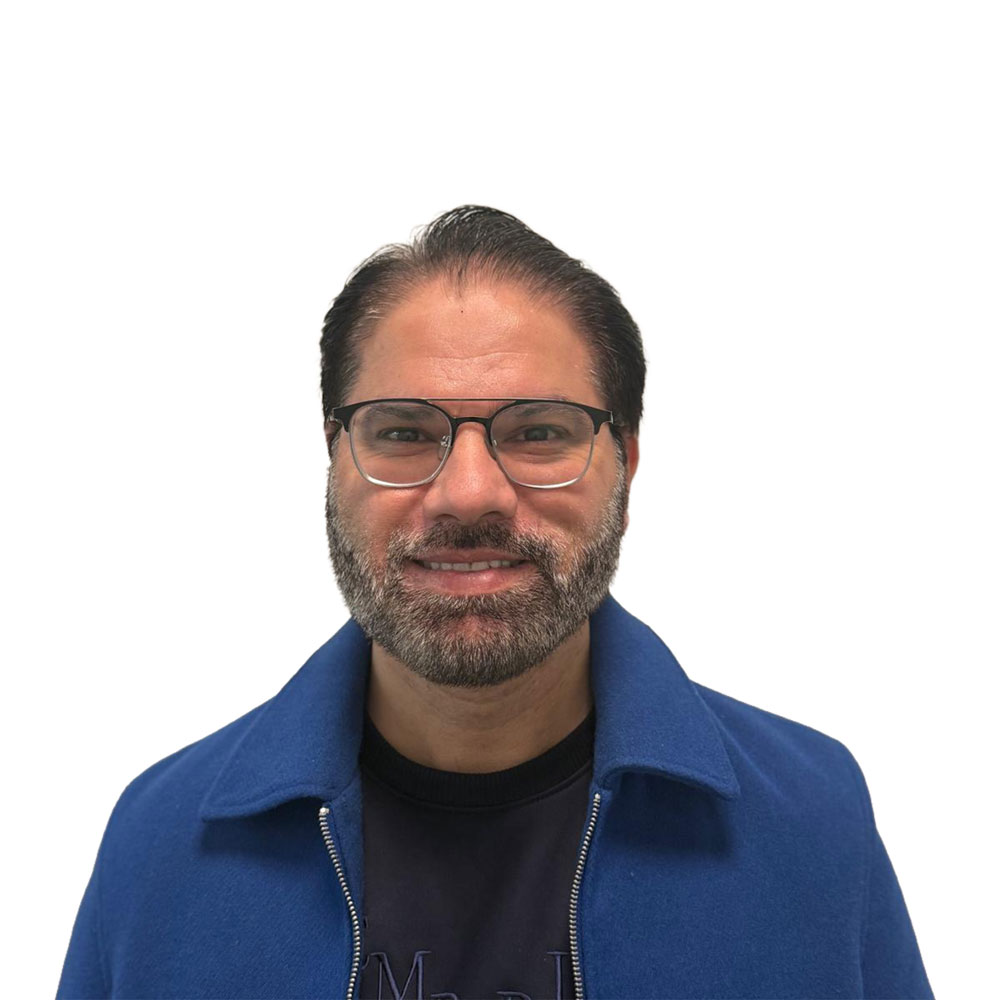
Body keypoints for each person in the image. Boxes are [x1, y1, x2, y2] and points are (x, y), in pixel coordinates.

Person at [57, 206, 933, 1000]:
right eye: (403, 432)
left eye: (539, 431)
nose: (468, 493)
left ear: (625, 466)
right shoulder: (162, 846)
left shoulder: (810, 823)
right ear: (334, 459)